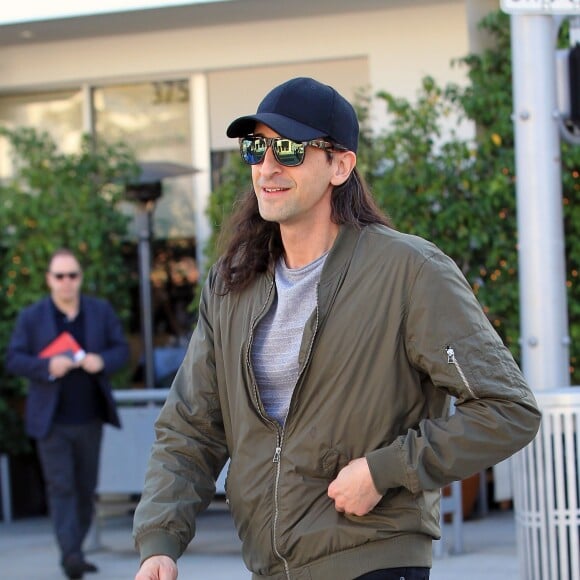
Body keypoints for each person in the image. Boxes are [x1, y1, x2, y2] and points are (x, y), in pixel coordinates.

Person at [132, 77, 541, 580]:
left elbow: (508, 409)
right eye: (256, 148)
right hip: (271, 566)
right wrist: (160, 540)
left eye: (289, 148)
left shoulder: (407, 270)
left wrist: (386, 469)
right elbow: (191, 426)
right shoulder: (231, 285)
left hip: (374, 557)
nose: (268, 166)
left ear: (340, 165)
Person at [6, 248, 129, 580]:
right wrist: (47, 365)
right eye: (59, 276)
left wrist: (102, 361)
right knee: (61, 487)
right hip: (51, 421)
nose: (66, 282)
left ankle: (74, 548)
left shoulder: (98, 313)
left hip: (89, 418)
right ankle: (71, 555)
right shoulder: (32, 318)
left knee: (85, 487)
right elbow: (13, 358)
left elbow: (121, 351)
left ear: (80, 278)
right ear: (49, 279)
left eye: (72, 275)